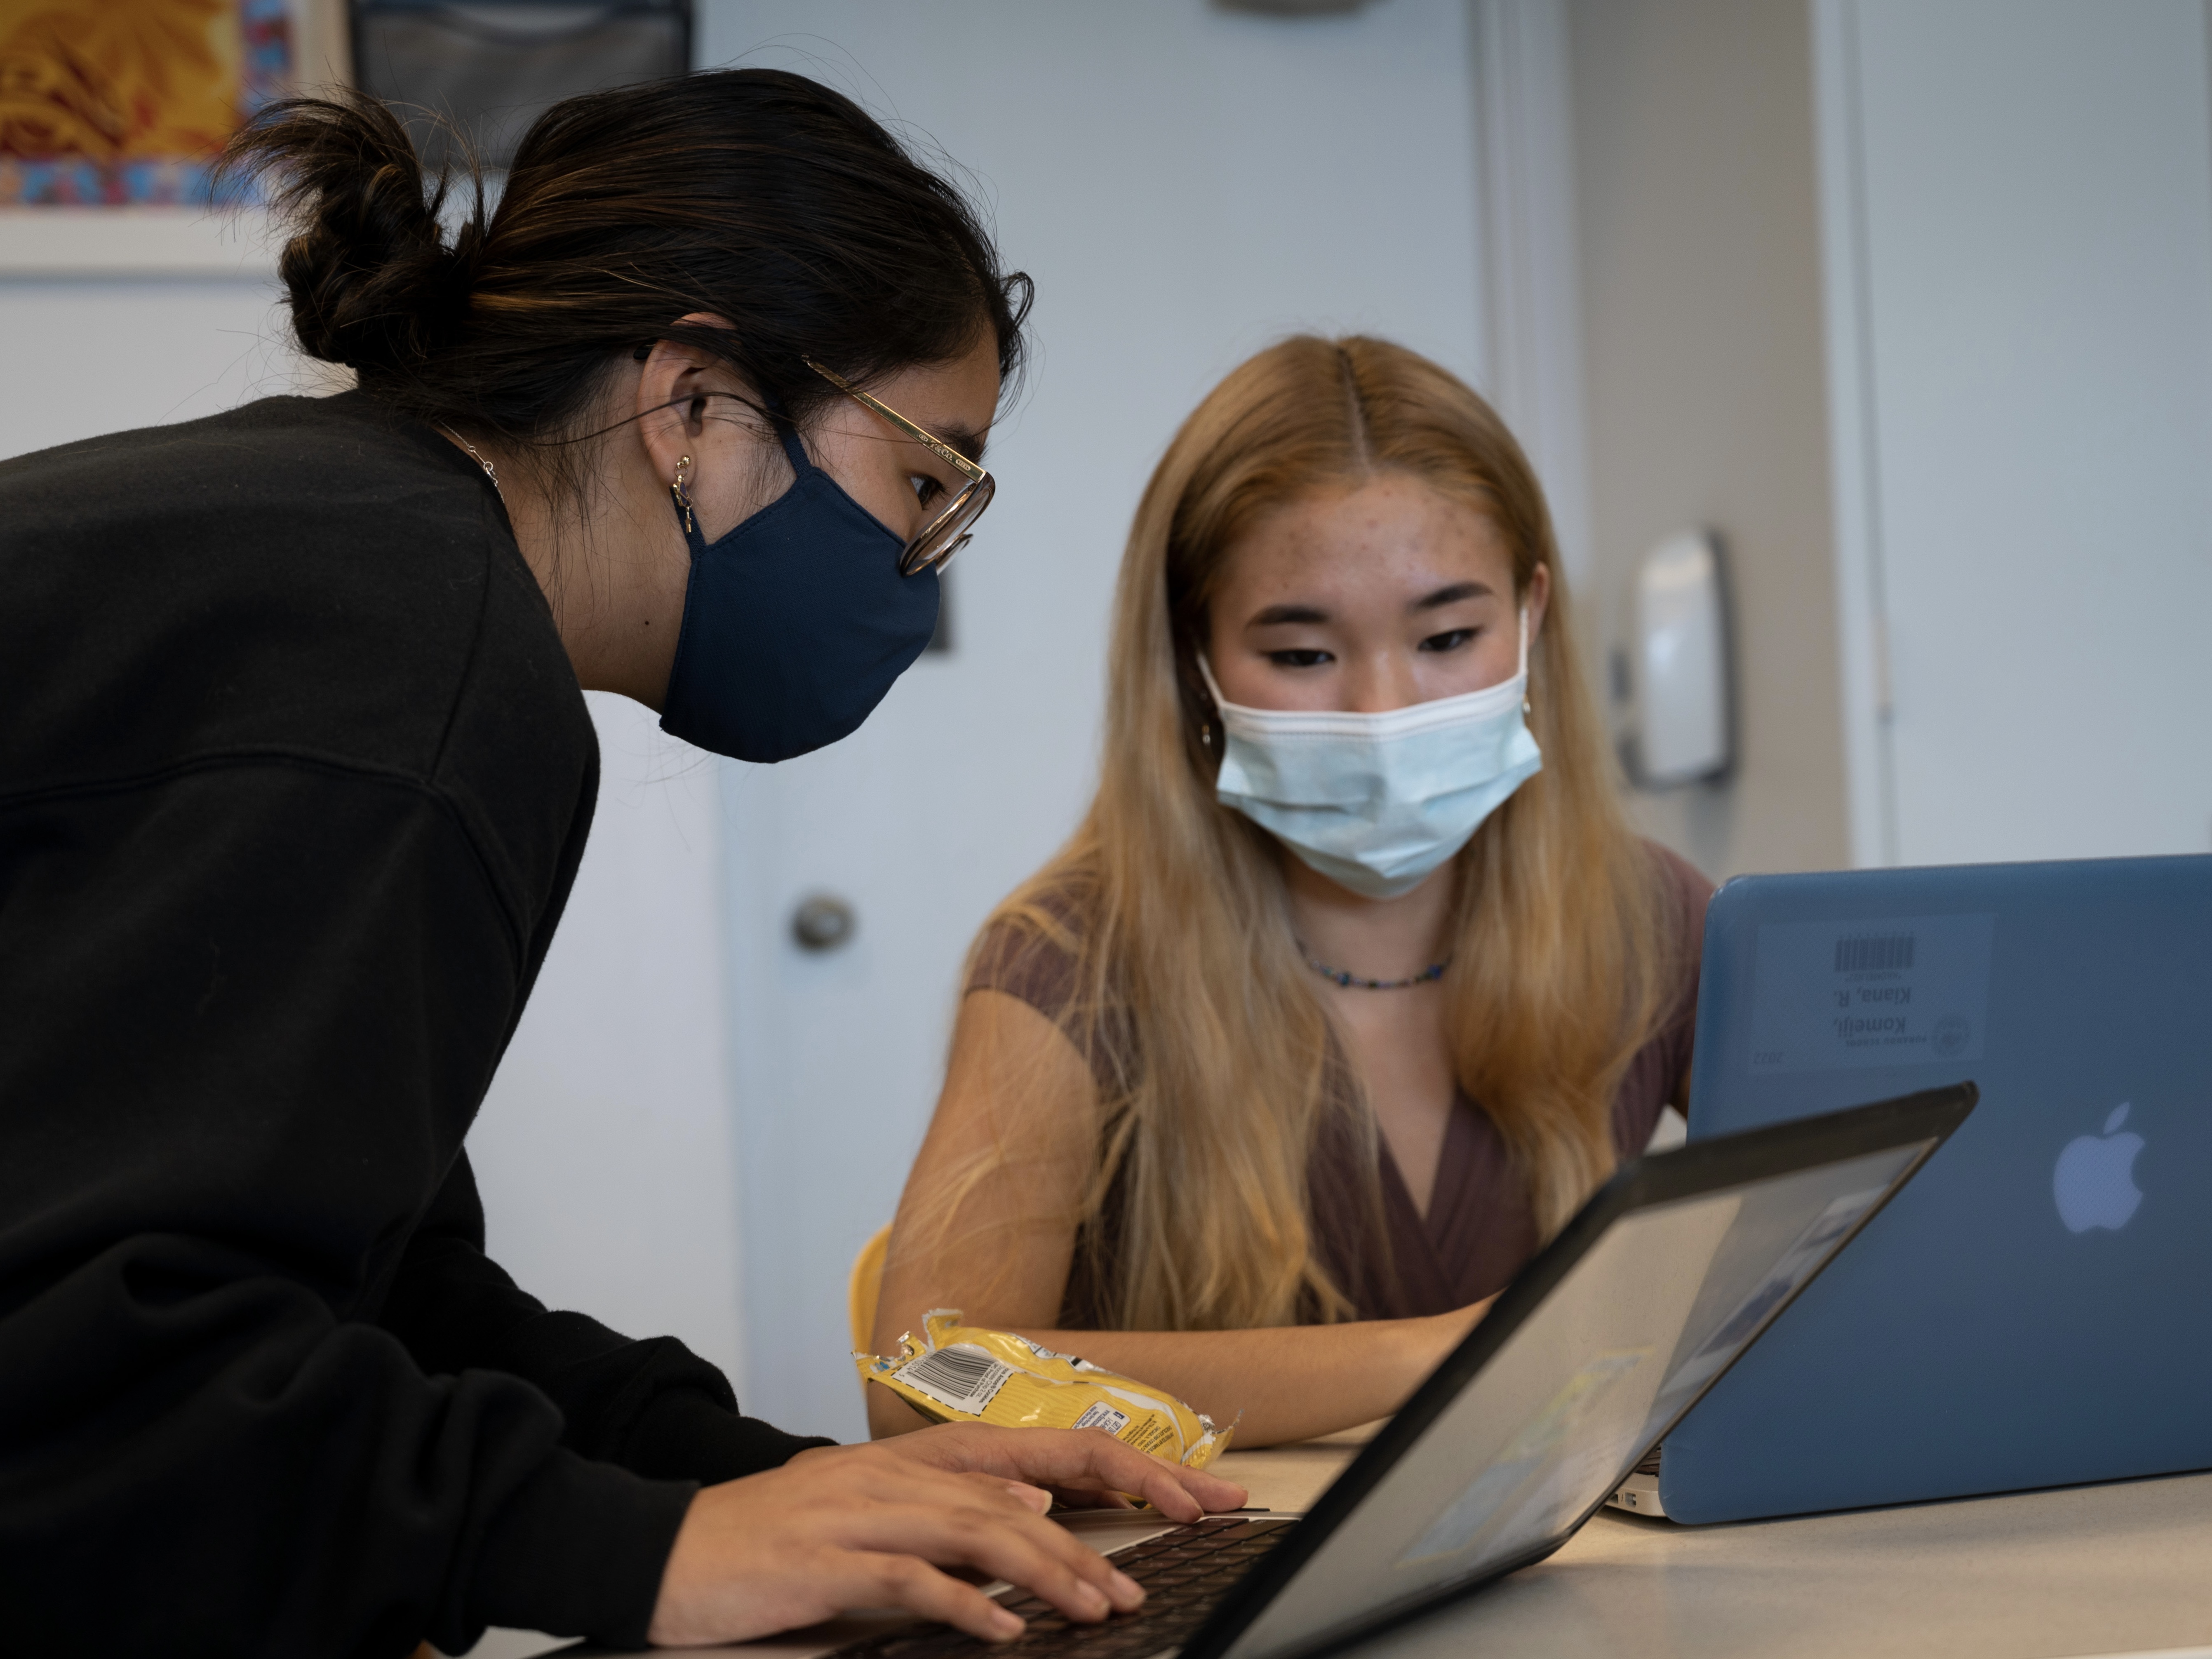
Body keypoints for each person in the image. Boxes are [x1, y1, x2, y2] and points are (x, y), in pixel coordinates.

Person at [0, 72, 1239, 1657]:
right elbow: (111, 1392)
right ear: (698, 409)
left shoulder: (350, 556)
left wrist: (790, 1488)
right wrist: (647, 1553)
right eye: (926, 487)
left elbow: (377, 1296)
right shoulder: (416, 650)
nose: (920, 575)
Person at [870, 335, 1711, 1448]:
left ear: (1533, 618)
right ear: (1196, 659)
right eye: (1304, 655)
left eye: (1450, 637)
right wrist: (1446, 1355)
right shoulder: (1068, 965)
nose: (1379, 711)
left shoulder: (1654, 921)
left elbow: (1857, 1246)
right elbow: (930, 1381)